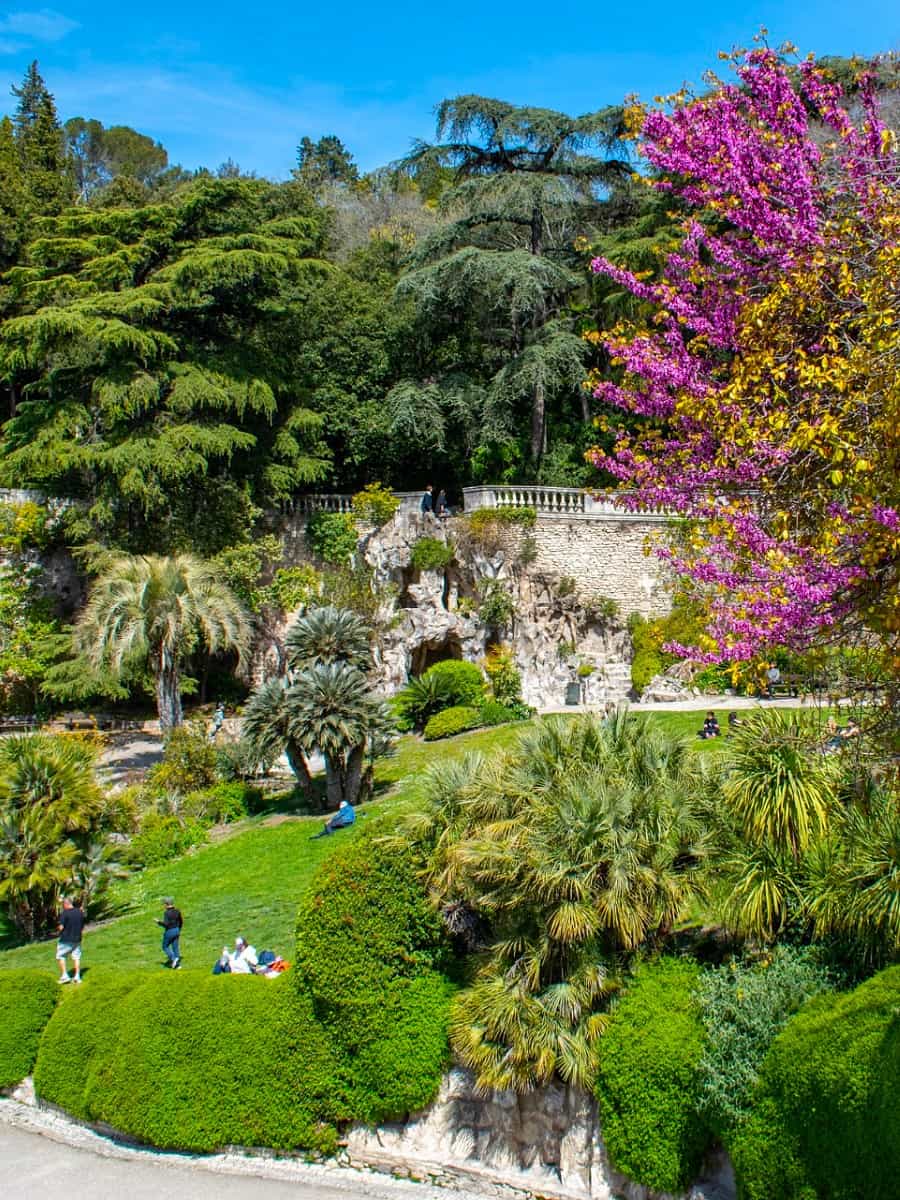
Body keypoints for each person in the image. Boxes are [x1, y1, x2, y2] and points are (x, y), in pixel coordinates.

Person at [56, 897, 84, 984]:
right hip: (77, 939)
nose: (62, 906)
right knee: (76, 957)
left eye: (63, 905)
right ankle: (77, 977)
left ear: (66, 904)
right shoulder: (79, 912)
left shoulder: (65, 913)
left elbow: (61, 927)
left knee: (60, 956)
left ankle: (65, 976)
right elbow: (82, 925)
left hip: (66, 939)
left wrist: (57, 929)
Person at [156, 897, 183, 969]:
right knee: (175, 947)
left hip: (170, 931)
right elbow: (181, 921)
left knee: (165, 947)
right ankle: (177, 965)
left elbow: (166, 924)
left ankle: (173, 958)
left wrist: (158, 922)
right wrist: (179, 929)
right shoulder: (177, 911)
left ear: (166, 904)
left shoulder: (166, 913)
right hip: (177, 930)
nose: (163, 905)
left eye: (164, 904)